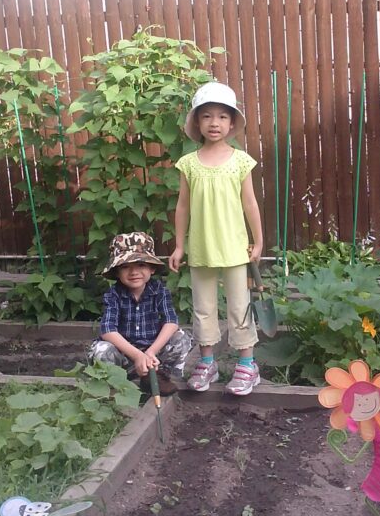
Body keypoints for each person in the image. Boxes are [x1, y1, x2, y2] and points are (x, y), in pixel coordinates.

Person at [169, 81, 264, 395]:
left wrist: (258, 241)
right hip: (201, 249)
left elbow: (250, 203)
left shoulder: (240, 161)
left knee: (240, 307)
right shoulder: (189, 164)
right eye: (207, 116)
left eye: (222, 117)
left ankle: (247, 365)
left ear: (232, 122)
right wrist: (180, 245)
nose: (214, 123)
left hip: (235, 249)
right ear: (197, 122)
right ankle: (206, 361)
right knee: (204, 307)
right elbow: (183, 205)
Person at [87, 231, 193, 395]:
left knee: (182, 338)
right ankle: (114, 384)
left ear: (152, 269)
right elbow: (107, 329)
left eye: (141, 265)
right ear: (116, 272)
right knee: (101, 349)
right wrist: (137, 356)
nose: (133, 272)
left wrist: (150, 352)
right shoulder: (113, 294)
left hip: (153, 355)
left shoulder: (159, 290)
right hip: (124, 355)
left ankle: (158, 376)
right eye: (125, 267)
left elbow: (171, 321)